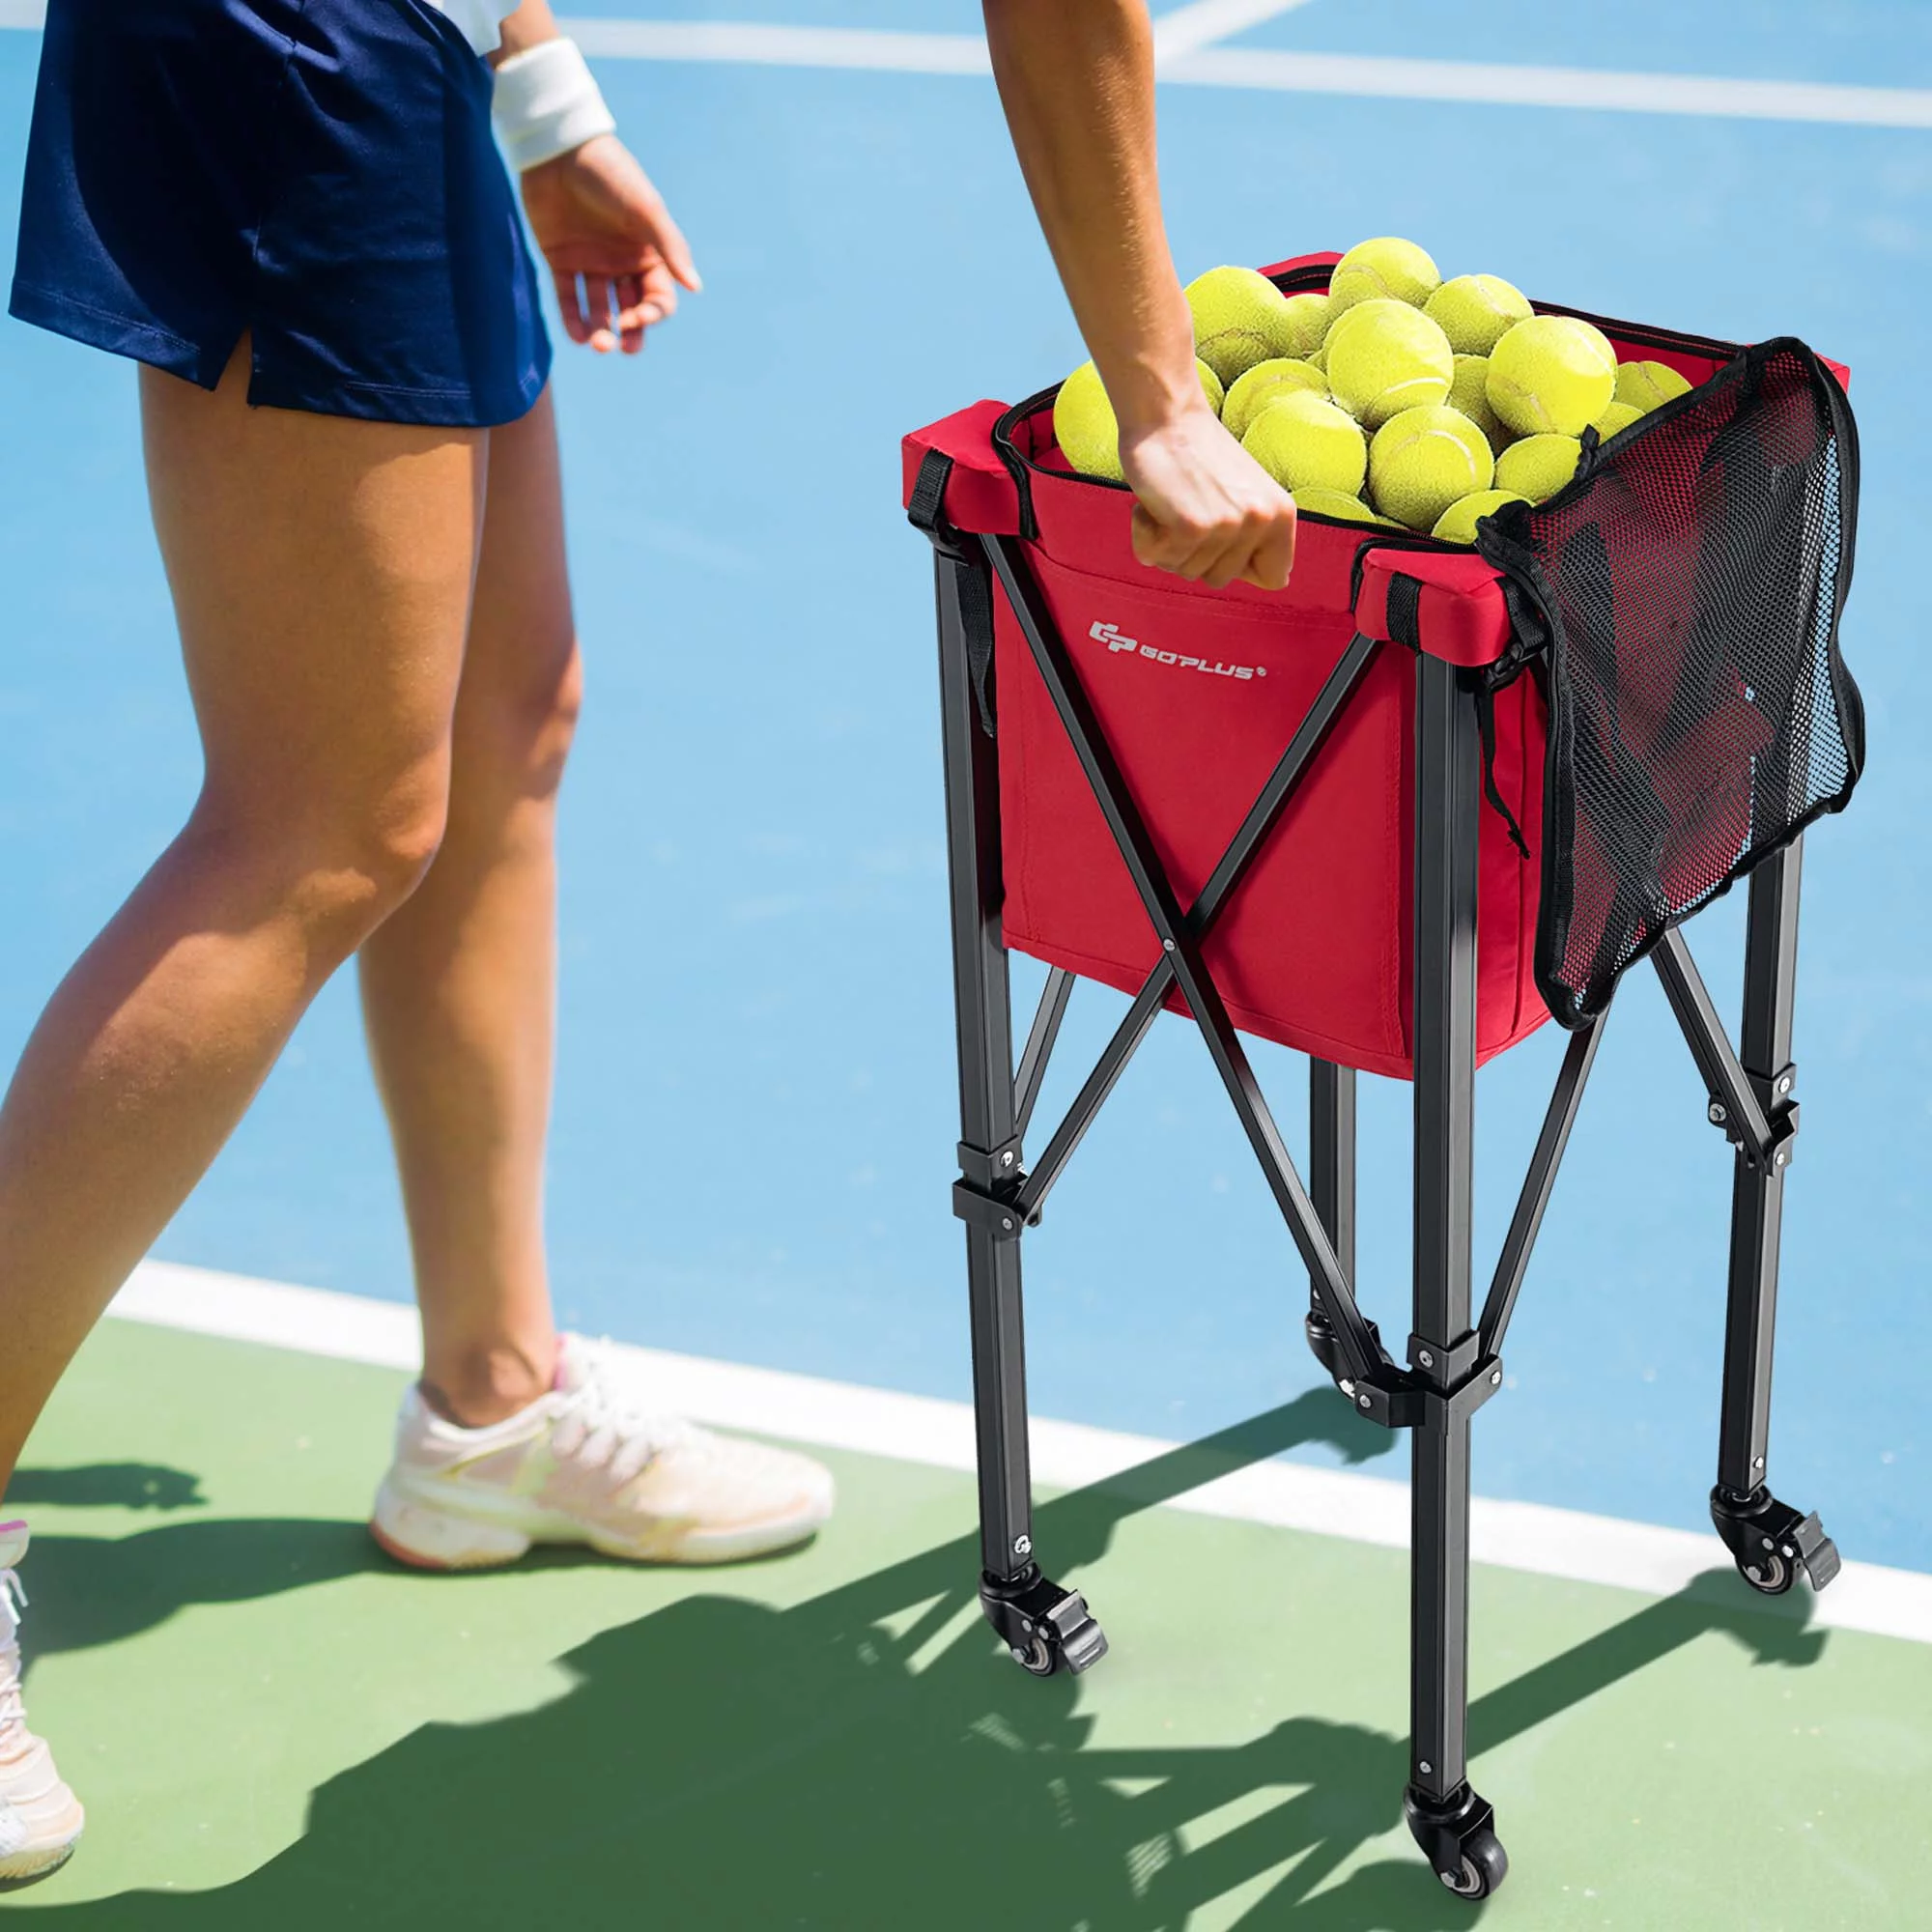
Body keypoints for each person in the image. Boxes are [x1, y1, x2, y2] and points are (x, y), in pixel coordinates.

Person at [0, 0, 1295, 1889]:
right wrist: (1158, 399)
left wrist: (533, 88)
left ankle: (488, 1401)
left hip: (404, 42)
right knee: (313, 826)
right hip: (278, 34)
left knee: (497, 723)